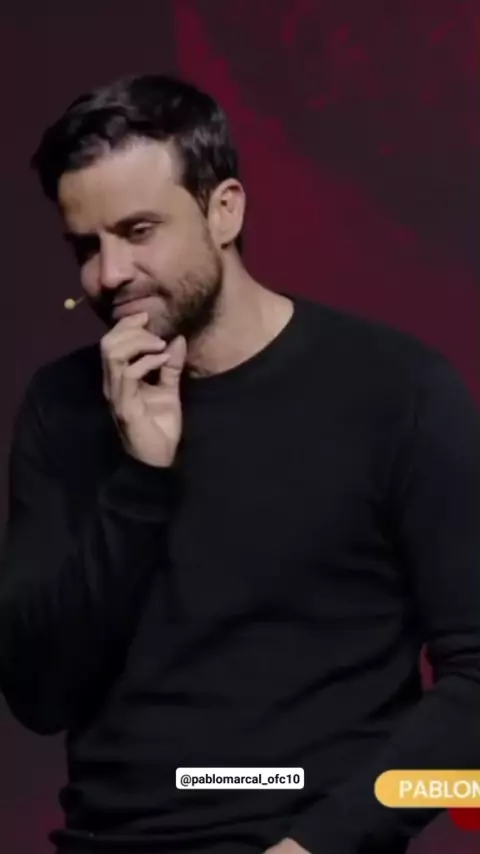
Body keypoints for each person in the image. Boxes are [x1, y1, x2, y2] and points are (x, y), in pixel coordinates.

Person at [0, 73, 479, 854]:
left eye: (139, 230)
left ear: (225, 210)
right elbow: (36, 695)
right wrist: (141, 479)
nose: (109, 274)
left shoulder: (398, 391)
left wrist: (324, 845)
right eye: (87, 246)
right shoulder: (62, 406)